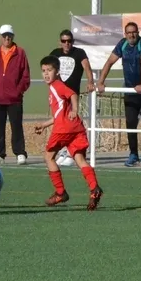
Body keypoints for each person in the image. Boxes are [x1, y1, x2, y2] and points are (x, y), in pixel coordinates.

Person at [35, 56, 103, 211]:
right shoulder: (54, 88)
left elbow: (73, 94)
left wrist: (75, 109)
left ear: (57, 72)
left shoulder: (57, 85)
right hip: (76, 128)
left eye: (49, 70)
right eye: (43, 71)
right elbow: (59, 114)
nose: (46, 74)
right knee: (80, 159)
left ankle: (60, 192)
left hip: (63, 129)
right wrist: (44, 125)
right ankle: (94, 189)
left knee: (48, 157)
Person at [95, 22, 141, 167]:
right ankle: (133, 154)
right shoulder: (122, 44)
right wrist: (100, 82)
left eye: (134, 32)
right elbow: (109, 62)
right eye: (129, 32)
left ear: (138, 32)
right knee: (130, 121)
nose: (132, 35)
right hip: (131, 89)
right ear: (125, 34)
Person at [0, 24, 31, 166]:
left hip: (14, 98)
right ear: (0, 37)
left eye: (9, 35)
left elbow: (25, 75)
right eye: (4, 35)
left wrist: (19, 90)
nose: (7, 38)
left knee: (16, 126)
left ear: (13, 36)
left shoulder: (20, 53)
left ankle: (20, 153)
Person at [48, 29, 94, 167]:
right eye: (64, 41)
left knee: (72, 123)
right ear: (60, 42)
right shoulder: (55, 53)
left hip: (72, 94)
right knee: (60, 123)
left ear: (72, 42)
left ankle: (71, 153)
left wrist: (90, 81)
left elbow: (87, 67)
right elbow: (48, 69)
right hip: (59, 96)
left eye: (69, 41)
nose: (66, 43)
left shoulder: (79, 53)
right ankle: (63, 151)